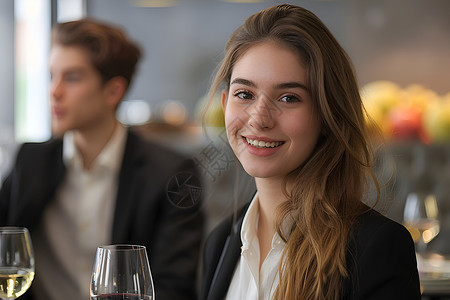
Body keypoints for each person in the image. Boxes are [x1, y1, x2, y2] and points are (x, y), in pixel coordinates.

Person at [200, 4, 420, 300]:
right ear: (225, 104)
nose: (259, 118)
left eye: (289, 97)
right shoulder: (219, 244)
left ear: (328, 117)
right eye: (245, 94)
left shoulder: (376, 248)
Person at [0, 19, 203, 300]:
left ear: (113, 92)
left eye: (71, 78)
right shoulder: (30, 160)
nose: (54, 92)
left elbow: (175, 286)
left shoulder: (173, 174)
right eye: (51, 76)